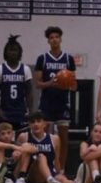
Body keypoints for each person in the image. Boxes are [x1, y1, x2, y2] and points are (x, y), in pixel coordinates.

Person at [33, 26, 76, 170]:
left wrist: (67, 84)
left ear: (60, 39)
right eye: (51, 38)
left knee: (64, 139)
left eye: (57, 37)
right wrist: (51, 83)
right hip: (46, 104)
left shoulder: (69, 59)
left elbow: (74, 85)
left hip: (63, 103)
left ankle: (61, 170)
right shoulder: (42, 58)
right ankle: (48, 167)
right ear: (48, 41)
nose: (54, 40)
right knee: (47, 139)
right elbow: (37, 84)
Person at [17, 111, 74, 183]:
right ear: (29, 125)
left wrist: (60, 173)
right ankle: (50, 180)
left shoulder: (54, 139)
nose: (36, 124)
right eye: (33, 122)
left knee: (64, 181)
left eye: (39, 121)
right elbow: (18, 160)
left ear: (45, 124)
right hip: (33, 175)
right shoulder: (24, 137)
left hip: (50, 173)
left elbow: (56, 160)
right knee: (41, 157)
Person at [0, 35, 33, 133]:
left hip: (21, 112)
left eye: (15, 50)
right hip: (5, 112)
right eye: (10, 50)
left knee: (21, 141)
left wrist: (30, 111)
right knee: (4, 141)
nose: (13, 53)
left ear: (20, 53)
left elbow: (29, 92)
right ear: (5, 52)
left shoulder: (25, 69)